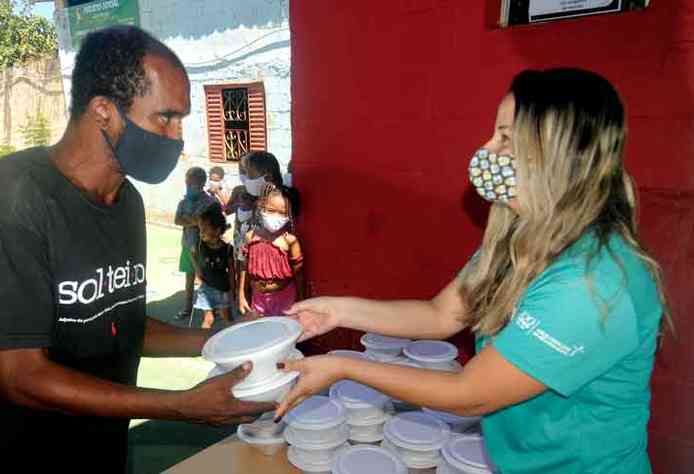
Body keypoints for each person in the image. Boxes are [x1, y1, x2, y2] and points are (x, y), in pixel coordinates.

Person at [274, 69, 668, 474]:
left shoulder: (592, 283)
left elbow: (471, 394)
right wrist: (337, 312)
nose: (486, 148)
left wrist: (342, 367)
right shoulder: (521, 238)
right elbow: (440, 315)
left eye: (505, 138)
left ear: (557, 156)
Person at [0, 26, 274, 474]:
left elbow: (118, 325)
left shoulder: (124, 202)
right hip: (0, 457)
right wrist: (184, 405)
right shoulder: (13, 197)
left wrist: (226, 341)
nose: (177, 137)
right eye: (165, 118)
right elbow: (22, 376)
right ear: (104, 112)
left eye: (182, 120)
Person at [239, 183, 304, 316]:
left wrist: (302, 301)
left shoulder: (290, 240)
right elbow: (244, 267)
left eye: (282, 213)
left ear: (290, 215)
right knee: (261, 333)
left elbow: (298, 274)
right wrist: (241, 295)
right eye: (270, 210)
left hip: (285, 299)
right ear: (261, 207)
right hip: (258, 299)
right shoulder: (250, 236)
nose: (276, 216)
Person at [174, 166, 216, 320]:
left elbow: (210, 223)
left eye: (193, 183)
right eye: (188, 182)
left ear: (201, 182)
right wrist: (195, 221)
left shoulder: (210, 202)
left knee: (207, 276)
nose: (189, 185)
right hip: (187, 244)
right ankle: (187, 307)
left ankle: (212, 308)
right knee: (189, 277)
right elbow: (177, 220)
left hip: (205, 246)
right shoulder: (183, 202)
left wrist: (192, 221)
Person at [194, 203, 235, 329]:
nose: (201, 233)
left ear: (217, 230)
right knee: (208, 318)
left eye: (205, 229)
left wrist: (233, 289)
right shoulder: (200, 245)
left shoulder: (228, 249)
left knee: (227, 318)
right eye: (200, 229)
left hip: (222, 289)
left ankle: (234, 343)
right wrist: (197, 272)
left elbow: (231, 271)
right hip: (205, 289)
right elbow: (193, 255)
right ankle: (203, 344)